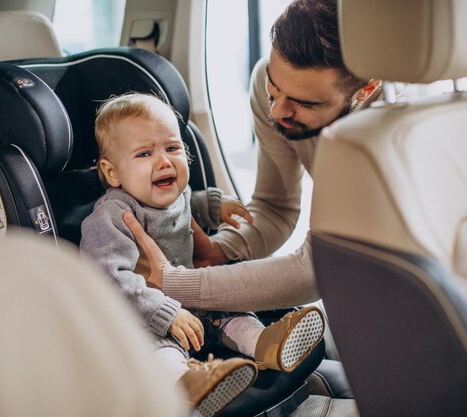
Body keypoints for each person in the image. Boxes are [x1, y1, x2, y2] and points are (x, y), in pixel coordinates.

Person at [80, 93, 326, 416]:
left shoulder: (169, 192)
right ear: (113, 173)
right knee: (160, 352)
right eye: (144, 153)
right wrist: (164, 312)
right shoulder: (113, 216)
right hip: (149, 320)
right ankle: (191, 384)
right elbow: (107, 279)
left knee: (235, 316)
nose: (164, 161)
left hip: (197, 306)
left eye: (172, 148)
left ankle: (268, 344)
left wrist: (212, 205)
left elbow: (185, 206)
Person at [123, 0, 373, 312]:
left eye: (305, 104)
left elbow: (319, 269)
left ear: (366, 90)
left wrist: (172, 282)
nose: (277, 111)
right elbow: (275, 207)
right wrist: (221, 250)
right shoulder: (270, 86)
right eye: (274, 86)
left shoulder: (379, 138)